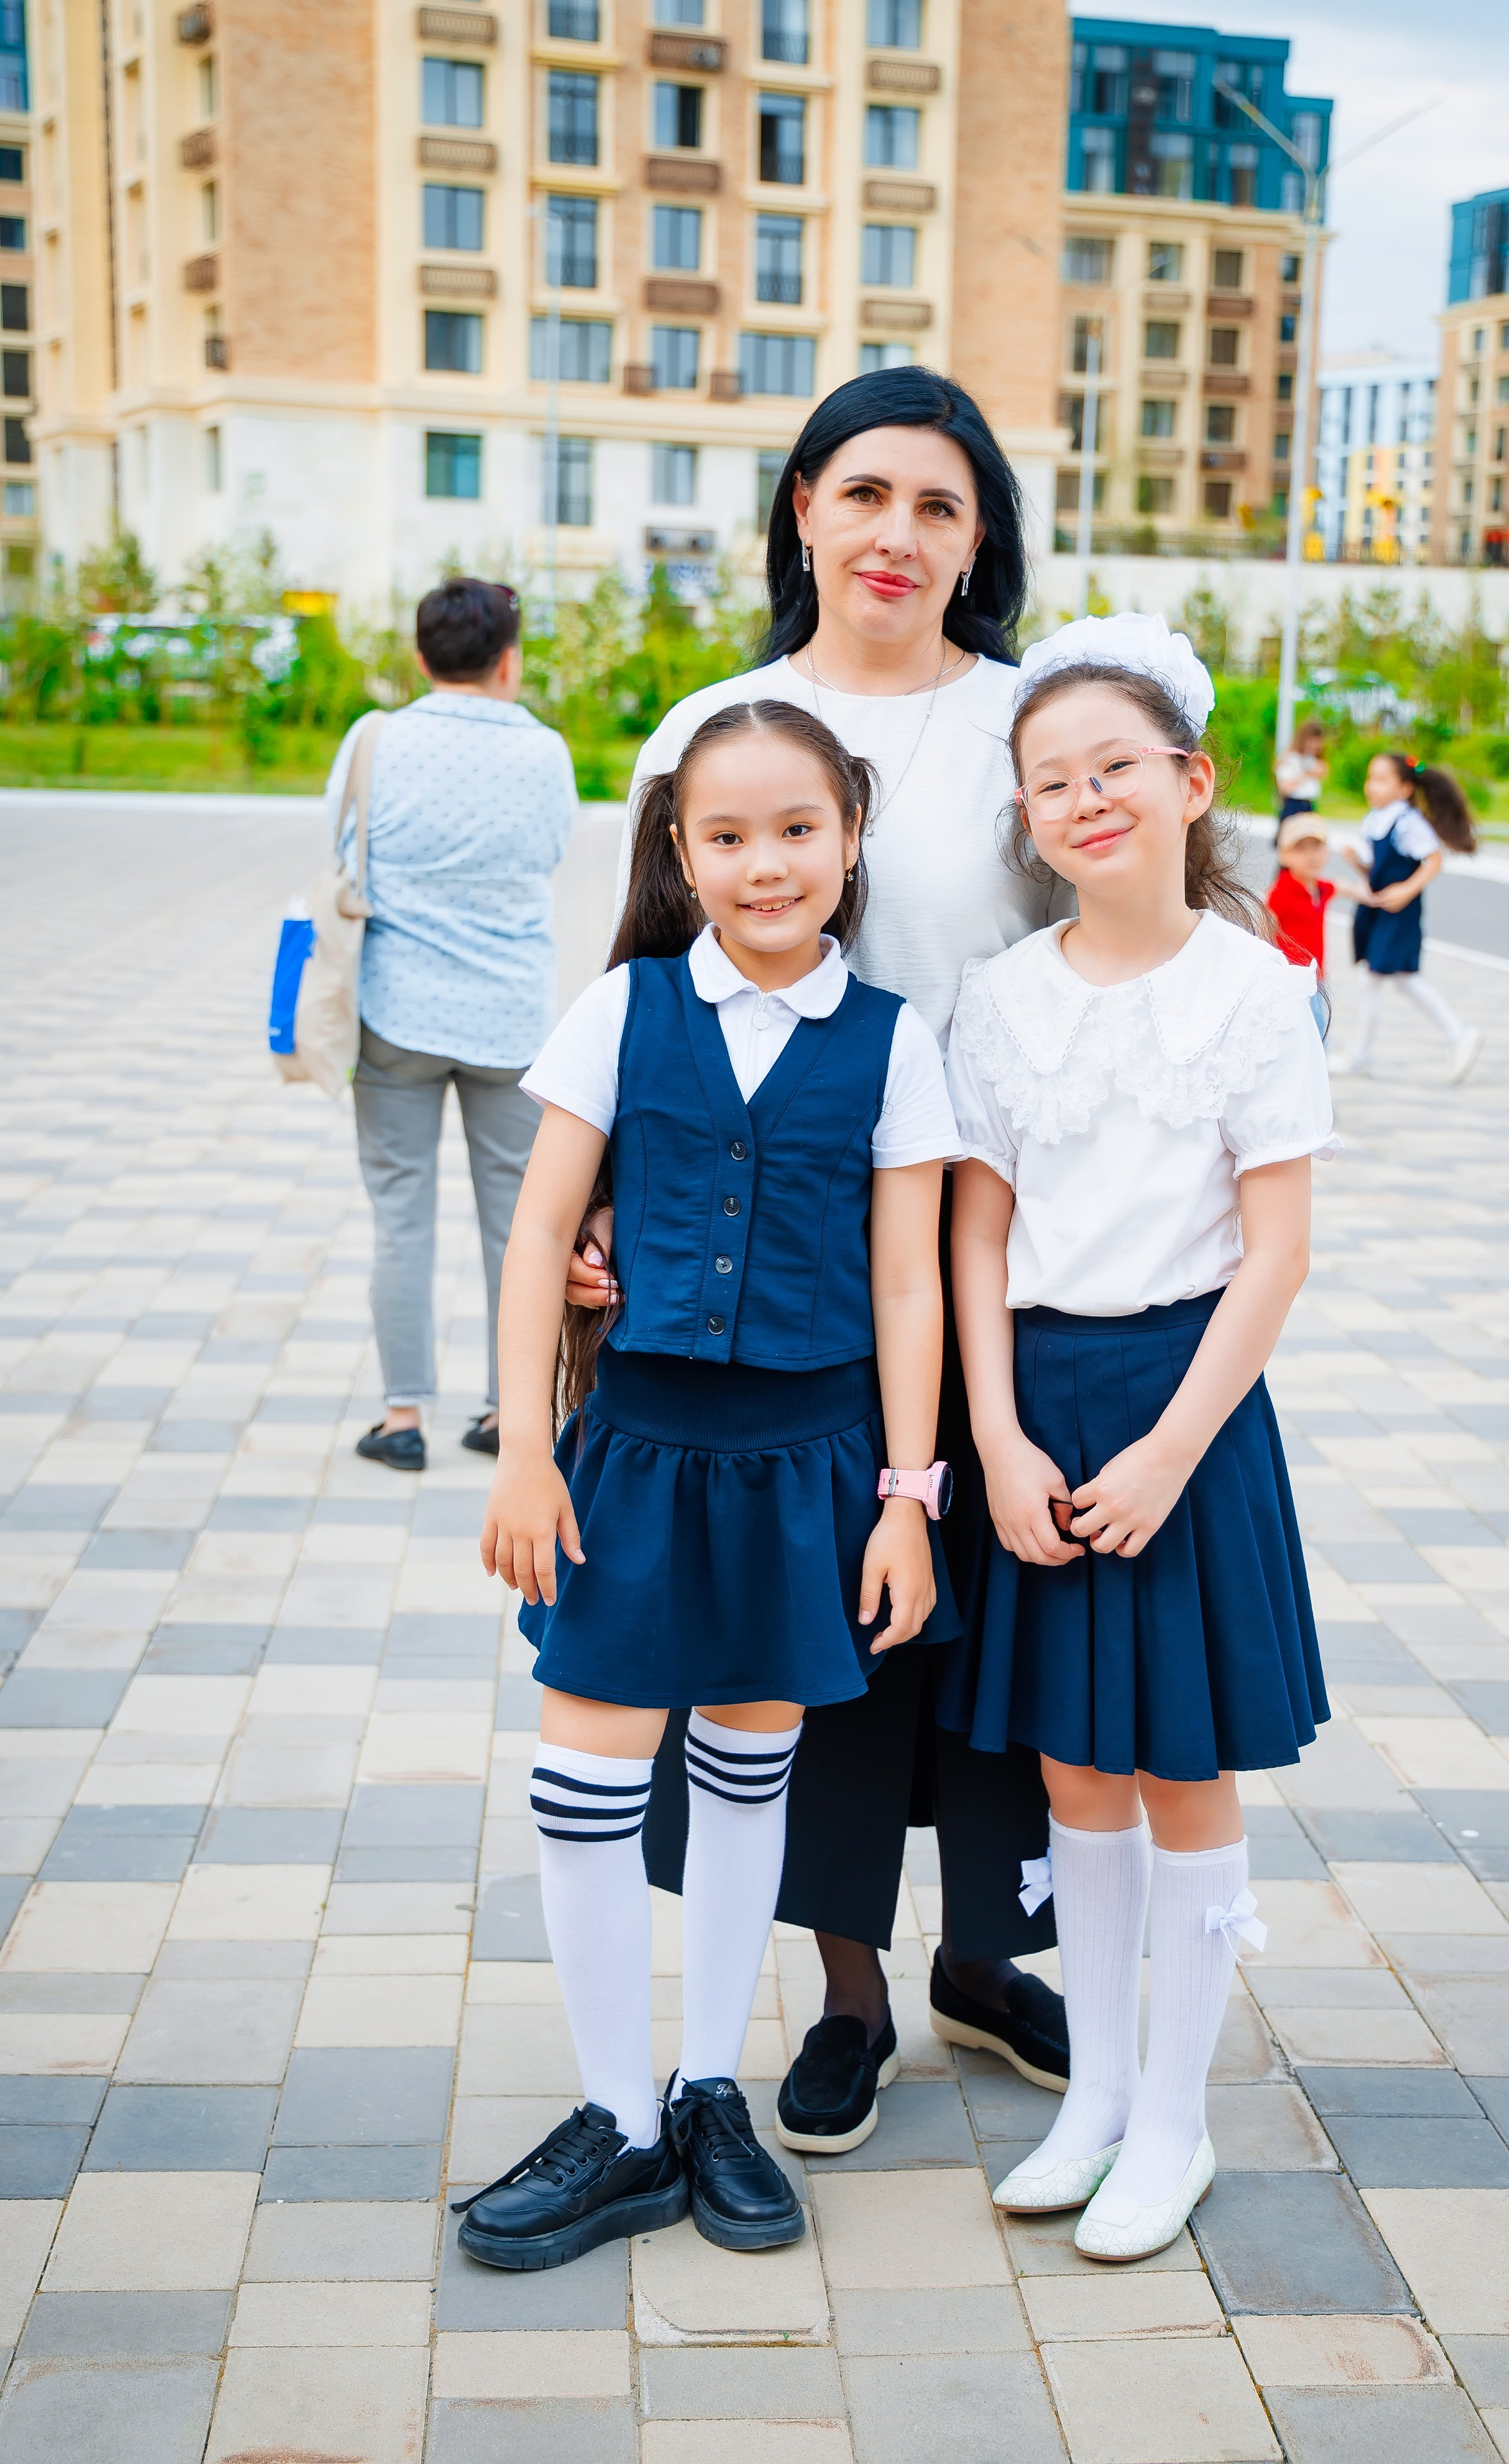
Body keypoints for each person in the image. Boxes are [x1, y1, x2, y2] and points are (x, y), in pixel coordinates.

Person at [564, 367, 1073, 2158]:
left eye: (941, 505)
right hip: (783, 1263)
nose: (899, 535)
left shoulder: (1039, 720)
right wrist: (608, 1220)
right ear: (801, 509)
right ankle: (850, 1996)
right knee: (832, 1621)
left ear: (980, 535)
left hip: (1011, 1240)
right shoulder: (720, 722)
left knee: (1009, 1611)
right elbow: (632, 988)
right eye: (866, 494)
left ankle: (990, 1960)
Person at [453, 700, 960, 2272]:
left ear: (850, 835)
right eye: (725, 834)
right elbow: (541, 1232)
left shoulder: (892, 1039)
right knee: (585, 1778)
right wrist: (526, 1447)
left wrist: (903, 1496)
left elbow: (906, 1291)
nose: (763, 862)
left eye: (795, 828)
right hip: (639, 1455)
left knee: (753, 1771)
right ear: (678, 849)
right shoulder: (622, 1010)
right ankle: (616, 2115)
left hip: (812, 1467)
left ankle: (707, 2088)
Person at [941, 615, 1336, 2262]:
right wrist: (998, 1438)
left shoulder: (1256, 988)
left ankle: (1173, 2118)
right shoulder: (997, 994)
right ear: (1025, 815)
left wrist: (1173, 1447)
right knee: (1069, 1771)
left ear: (1188, 780)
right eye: (1051, 780)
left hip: (1189, 1408)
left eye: (1115, 766)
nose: (1084, 799)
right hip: (1036, 1404)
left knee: (1182, 1765)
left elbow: (1277, 1246)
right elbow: (973, 1232)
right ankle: (1091, 2095)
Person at [338, 577, 578, 1472]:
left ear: (420, 656)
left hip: (393, 1012)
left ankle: (401, 1419)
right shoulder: (544, 751)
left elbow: (340, 849)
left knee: (400, 1215)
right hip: (508, 1021)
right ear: (508, 660)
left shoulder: (377, 741)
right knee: (519, 1222)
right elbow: (554, 851)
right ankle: (502, 1412)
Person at [1331, 750, 1482, 1084]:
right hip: (1378, 909)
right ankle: (1366, 1053)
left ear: (1405, 789)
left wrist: (1405, 891)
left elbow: (1433, 860)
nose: (1372, 786)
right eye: (1371, 778)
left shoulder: (1408, 821)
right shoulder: (1376, 818)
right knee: (1389, 980)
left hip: (1399, 914)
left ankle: (1459, 1035)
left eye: (1382, 779)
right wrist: (1356, 862)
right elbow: (1377, 870)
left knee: (1387, 979)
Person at [1267, 815, 1335, 1037]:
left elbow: (1347, 889)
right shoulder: (1281, 893)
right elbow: (1264, 930)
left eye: (1317, 847)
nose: (1311, 856)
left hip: (1317, 978)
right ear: (1283, 855)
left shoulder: (1321, 888)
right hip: (1292, 980)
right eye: (1301, 849)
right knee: (1302, 1038)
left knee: (1320, 1033)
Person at [1275, 719, 1327, 821]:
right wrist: (1307, 774)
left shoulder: (1312, 759)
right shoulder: (1291, 759)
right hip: (1294, 805)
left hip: (1309, 805)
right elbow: (1285, 788)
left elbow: (1323, 770)